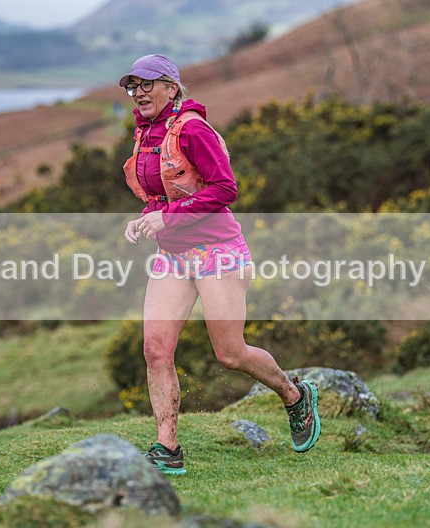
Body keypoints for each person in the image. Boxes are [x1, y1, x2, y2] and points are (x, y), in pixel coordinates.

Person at [119, 54, 320, 475]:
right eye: (131, 86)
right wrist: (146, 220)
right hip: (172, 255)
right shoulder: (147, 135)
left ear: (172, 88)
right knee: (155, 349)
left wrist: (168, 217)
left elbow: (225, 188)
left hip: (217, 250)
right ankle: (167, 447)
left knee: (230, 354)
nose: (138, 93)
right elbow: (166, 194)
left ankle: (294, 395)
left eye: (146, 84)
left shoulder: (192, 129)